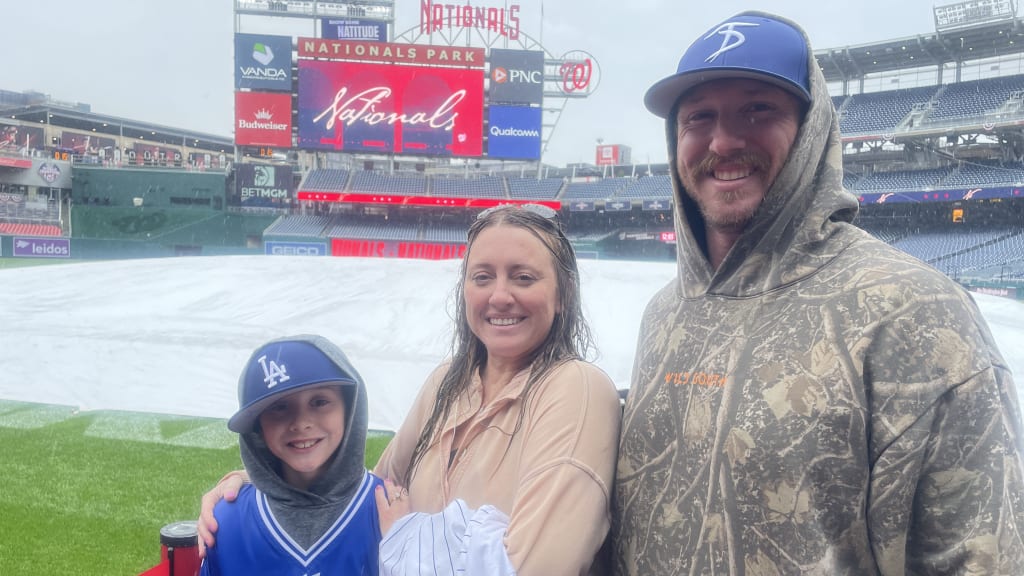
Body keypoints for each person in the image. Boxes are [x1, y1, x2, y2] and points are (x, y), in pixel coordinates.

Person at [612, 10, 1024, 576]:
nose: (723, 140)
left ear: (812, 131)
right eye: (698, 118)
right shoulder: (665, 312)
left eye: (758, 110)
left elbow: (980, 560)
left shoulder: (916, 313)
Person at [199, 205, 622, 575]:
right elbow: (366, 495)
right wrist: (264, 483)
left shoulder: (575, 389)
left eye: (524, 277)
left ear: (563, 293)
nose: (499, 296)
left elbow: (534, 569)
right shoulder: (448, 382)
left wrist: (407, 537)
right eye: (482, 277)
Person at [200, 335, 382, 576]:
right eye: (279, 407)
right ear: (257, 427)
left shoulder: (390, 510)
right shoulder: (227, 520)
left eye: (319, 401)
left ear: (349, 409)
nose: (301, 423)